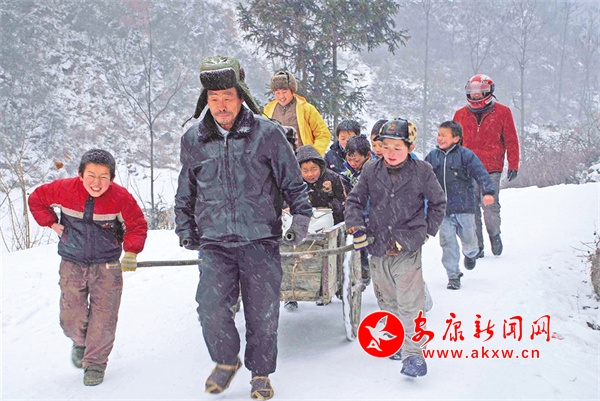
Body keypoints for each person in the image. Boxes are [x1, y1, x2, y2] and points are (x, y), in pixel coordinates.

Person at [174, 55, 312, 400]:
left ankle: (260, 373)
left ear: (241, 97)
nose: (221, 106)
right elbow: (185, 189)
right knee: (210, 308)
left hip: (260, 240)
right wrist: (184, 226)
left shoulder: (268, 134)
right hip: (215, 242)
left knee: (262, 313)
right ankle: (225, 360)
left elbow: (294, 184)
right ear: (206, 100)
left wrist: (301, 219)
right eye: (214, 99)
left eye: (228, 97)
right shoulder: (194, 139)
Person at [27, 149, 148, 386]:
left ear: (112, 178)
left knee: (104, 315)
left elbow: (136, 224)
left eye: (103, 177)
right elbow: (36, 199)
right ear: (80, 174)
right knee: (71, 314)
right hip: (72, 262)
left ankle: (95, 363)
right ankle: (80, 342)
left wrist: (132, 251)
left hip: (107, 265)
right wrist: (52, 224)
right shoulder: (64, 189)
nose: (96, 183)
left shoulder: (120, 198)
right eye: (91, 175)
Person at [344, 119, 446, 378]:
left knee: (410, 303)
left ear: (410, 148)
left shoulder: (422, 171)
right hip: (377, 245)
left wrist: (426, 232)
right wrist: (356, 225)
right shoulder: (371, 170)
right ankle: (397, 341)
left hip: (407, 247)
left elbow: (438, 202)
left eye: (397, 147)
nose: (390, 152)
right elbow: (354, 200)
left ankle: (414, 355)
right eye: (385, 146)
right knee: (387, 301)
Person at [452, 74, 520, 257]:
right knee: (470, 210)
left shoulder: (503, 112)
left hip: (491, 169)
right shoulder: (460, 114)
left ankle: (494, 234)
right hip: (466, 170)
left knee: (490, 207)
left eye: (480, 92)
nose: (475, 96)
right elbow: (453, 143)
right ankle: (477, 245)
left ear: (489, 92)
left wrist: (513, 164)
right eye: (472, 92)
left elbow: (511, 140)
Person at [425, 121, 496, 290]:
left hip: (465, 208)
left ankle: (471, 253)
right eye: (439, 134)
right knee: (447, 244)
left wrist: (488, 191)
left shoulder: (466, 155)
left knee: (469, 240)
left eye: (444, 135)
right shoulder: (433, 156)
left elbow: (480, 172)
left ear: (456, 138)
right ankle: (453, 275)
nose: (439, 138)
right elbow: (422, 176)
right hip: (443, 210)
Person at [283, 144, 351, 311]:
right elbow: (284, 201)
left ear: (321, 166)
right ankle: (290, 290)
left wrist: (329, 196)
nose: (310, 174)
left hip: (326, 219)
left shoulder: (333, 178)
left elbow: (344, 203)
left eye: (314, 169)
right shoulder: (292, 181)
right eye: (305, 170)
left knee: (322, 242)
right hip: (300, 220)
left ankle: (323, 284)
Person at [263, 70, 331, 156]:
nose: (281, 96)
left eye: (284, 92)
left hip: (301, 159)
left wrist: (313, 155)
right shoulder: (268, 110)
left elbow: (323, 134)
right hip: (277, 159)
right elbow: (263, 136)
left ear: (292, 91)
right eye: (277, 93)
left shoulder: (306, 109)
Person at [341, 135, 374, 285]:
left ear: (368, 156)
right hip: (356, 214)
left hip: (372, 214)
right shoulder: (346, 171)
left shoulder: (374, 170)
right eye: (350, 160)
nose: (353, 163)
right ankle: (363, 271)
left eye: (357, 160)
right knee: (360, 246)